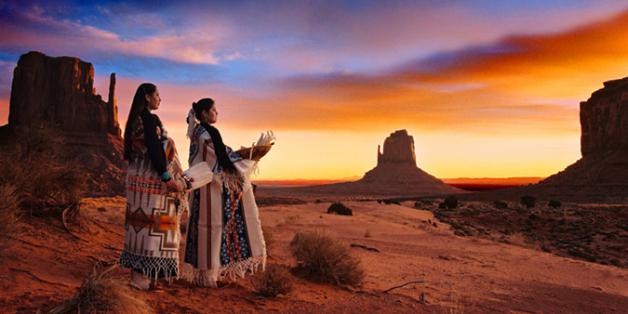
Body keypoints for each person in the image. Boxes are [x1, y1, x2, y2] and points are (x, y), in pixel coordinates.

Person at [182, 98, 267, 287]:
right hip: (210, 190)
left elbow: (220, 155)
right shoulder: (207, 133)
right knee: (212, 228)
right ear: (204, 113)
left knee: (203, 228)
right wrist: (247, 160)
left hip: (200, 188)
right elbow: (222, 159)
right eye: (213, 110)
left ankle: (202, 275)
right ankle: (208, 277)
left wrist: (237, 156)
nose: (216, 113)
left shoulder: (197, 132)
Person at [119, 83, 187, 290]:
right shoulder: (149, 119)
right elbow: (156, 150)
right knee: (156, 228)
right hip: (152, 181)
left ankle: (139, 278)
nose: (160, 99)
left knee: (138, 227)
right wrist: (167, 177)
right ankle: (146, 279)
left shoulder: (134, 119)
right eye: (157, 95)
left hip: (136, 181)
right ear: (147, 97)